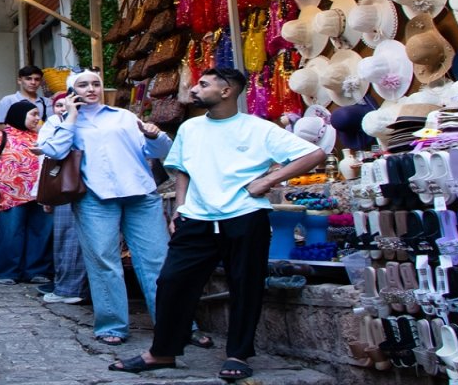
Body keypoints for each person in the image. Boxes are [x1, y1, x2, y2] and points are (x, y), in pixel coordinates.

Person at [109, 68, 324, 379]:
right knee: (171, 283)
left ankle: (238, 354)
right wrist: (180, 207)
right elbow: (183, 168)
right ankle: (162, 352)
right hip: (197, 218)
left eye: (204, 84)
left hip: (245, 216)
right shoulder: (191, 128)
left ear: (226, 92)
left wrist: (268, 181)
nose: (196, 88)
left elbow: (313, 153)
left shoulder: (259, 129)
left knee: (245, 287)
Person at [37, 70, 171, 346]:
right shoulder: (58, 122)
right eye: (83, 85)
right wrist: (71, 119)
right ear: (72, 91)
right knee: (103, 262)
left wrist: (154, 136)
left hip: (140, 194)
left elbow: (158, 151)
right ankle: (113, 324)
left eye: (95, 84)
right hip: (95, 198)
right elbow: (53, 151)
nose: (91, 89)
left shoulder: (123, 116)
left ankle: (175, 323)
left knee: (157, 261)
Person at [0, 100, 53, 285]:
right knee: (11, 232)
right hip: (9, 194)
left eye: (38, 114)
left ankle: (36, 270)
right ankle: (8, 271)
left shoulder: (40, 137)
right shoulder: (0, 136)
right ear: (20, 115)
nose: (38, 118)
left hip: (39, 193)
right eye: (33, 114)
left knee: (40, 232)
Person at [37, 91, 87, 305]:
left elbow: (51, 151)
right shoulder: (58, 122)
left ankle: (71, 288)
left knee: (71, 237)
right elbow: (50, 150)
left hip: (77, 185)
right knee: (67, 237)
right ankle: (68, 286)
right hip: (68, 184)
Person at [0, 65, 54, 130]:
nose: (33, 82)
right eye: (28, 79)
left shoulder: (47, 102)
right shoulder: (8, 100)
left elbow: (53, 126)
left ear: (41, 82)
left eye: (37, 79)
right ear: (19, 81)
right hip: (15, 139)